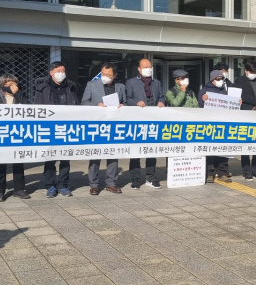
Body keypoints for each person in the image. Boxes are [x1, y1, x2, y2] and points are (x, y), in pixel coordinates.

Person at [34, 61, 80, 198]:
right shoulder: (42, 88)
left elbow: (76, 105)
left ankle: (63, 185)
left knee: (65, 158)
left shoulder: (70, 87)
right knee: (50, 158)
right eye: (58, 71)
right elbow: (37, 107)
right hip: (49, 127)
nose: (61, 74)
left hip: (67, 127)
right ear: (51, 73)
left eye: (63, 71)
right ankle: (50, 185)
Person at [81, 63, 125, 195]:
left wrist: (123, 106)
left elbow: (126, 103)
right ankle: (94, 184)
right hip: (97, 125)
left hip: (114, 125)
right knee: (95, 155)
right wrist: (97, 105)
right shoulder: (92, 85)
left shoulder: (120, 87)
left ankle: (111, 183)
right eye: (103, 74)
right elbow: (84, 102)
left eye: (108, 75)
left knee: (113, 154)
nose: (105, 77)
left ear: (114, 75)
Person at [0, 74, 31, 201]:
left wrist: (17, 94)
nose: (12, 86)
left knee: (18, 161)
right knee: (0, 163)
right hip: (1, 132)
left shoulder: (20, 95)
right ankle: (0, 191)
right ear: (3, 85)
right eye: (9, 84)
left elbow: (28, 107)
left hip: (17, 131)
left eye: (14, 83)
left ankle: (19, 189)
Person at [126, 58, 165, 189]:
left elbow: (161, 96)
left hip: (153, 121)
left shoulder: (156, 83)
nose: (148, 69)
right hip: (137, 121)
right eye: (145, 67)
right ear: (139, 69)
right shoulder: (131, 82)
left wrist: (161, 102)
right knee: (136, 152)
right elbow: (127, 99)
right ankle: (135, 179)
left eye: (149, 66)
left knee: (151, 151)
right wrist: (136, 103)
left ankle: (151, 177)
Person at [233, 61, 256, 180]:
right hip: (246, 114)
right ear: (246, 71)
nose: (253, 74)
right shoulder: (239, 81)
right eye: (251, 72)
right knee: (246, 142)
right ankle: (246, 170)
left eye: (255, 72)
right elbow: (241, 96)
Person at [198, 70, 233, 183]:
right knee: (210, 149)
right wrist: (203, 100)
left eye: (221, 79)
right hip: (210, 125)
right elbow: (199, 106)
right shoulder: (204, 90)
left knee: (223, 150)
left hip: (223, 124)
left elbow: (231, 105)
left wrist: (237, 102)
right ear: (212, 80)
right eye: (218, 79)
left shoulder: (224, 90)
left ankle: (223, 172)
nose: (220, 81)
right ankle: (209, 173)